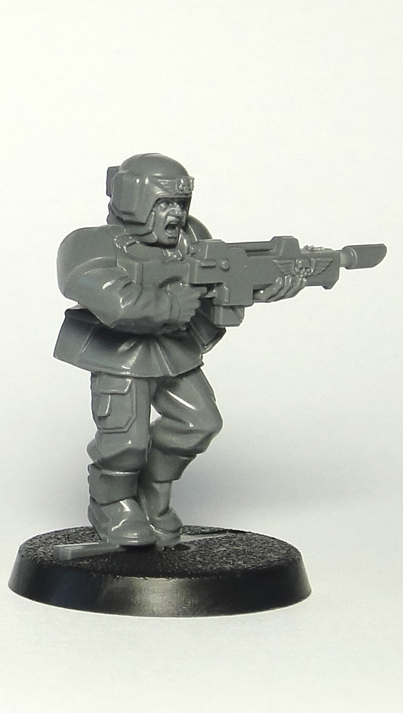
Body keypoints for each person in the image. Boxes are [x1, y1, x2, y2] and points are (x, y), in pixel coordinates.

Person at [54, 153, 301, 548]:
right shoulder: (90, 243)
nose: (175, 213)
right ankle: (112, 504)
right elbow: (111, 299)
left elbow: (220, 282)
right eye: (164, 203)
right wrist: (168, 306)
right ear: (133, 198)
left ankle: (154, 492)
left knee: (199, 423)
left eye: (180, 203)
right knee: (125, 441)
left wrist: (258, 287)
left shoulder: (192, 238)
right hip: (120, 355)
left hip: (174, 349)